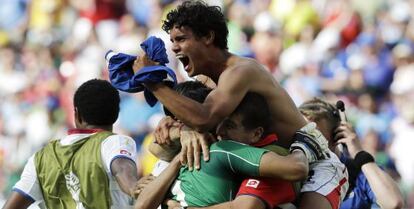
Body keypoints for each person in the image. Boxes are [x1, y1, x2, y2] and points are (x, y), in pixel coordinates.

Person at [134, 1, 343, 209]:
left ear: (208, 36)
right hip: (266, 163)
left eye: (181, 39)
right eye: (172, 41)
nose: (174, 47)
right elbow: (159, 145)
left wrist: (153, 84)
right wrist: (184, 128)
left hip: (313, 161)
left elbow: (203, 118)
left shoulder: (241, 72)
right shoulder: (205, 83)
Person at [134, 81, 308, 209]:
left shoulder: (223, 151)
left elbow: (295, 168)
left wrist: (304, 145)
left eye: (229, 125)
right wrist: (179, 151)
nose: (221, 130)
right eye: (173, 118)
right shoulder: (175, 154)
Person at [2, 79, 139, 209]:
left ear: (77, 115)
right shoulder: (116, 142)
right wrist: (132, 186)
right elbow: (121, 168)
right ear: (116, 115)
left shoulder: (40, 158)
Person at [299, 98, 404, 209]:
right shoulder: (294, 168)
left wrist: (360, 155)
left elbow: (393, 203)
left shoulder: (360, 171)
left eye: (313, 134)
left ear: (338, 136)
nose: (304, 140)